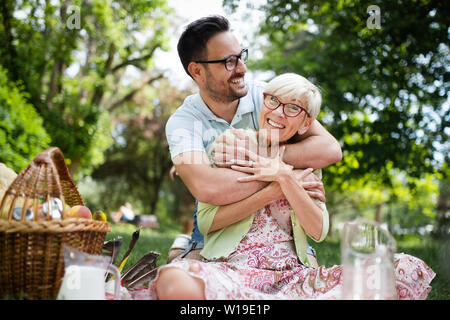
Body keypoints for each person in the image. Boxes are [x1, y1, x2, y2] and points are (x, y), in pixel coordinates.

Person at [149, 73, 435, 300]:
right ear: (263, 102)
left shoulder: (309, 162)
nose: (278, 112)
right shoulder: (231, 144)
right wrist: (271, 191)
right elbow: (207, 222)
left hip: (294, 278)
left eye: (293, 108)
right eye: (272, 101)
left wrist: (284, 177)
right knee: (174, 280)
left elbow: (318, 231)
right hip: (234, 270)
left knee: (403, 268)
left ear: (305, 123)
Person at [165, 15, 342, 267]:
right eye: (228, 61)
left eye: (241, 56)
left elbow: (329, 150)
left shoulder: (269, 97)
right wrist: (281, 178)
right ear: (197, 71)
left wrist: (263, 156)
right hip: (221, 220)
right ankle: (184, 247)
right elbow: (207, 189)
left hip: (284, 224)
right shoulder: (182, 123)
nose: (242, 68)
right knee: (184, 274)